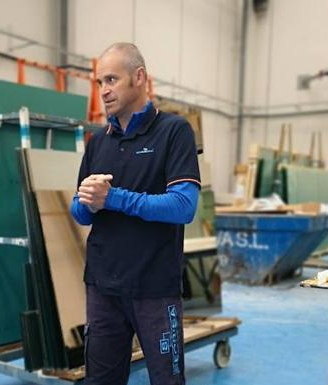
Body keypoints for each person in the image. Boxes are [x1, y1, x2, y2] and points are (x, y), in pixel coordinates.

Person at [71, 42, 201, 385]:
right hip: (103, 286)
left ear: (139, 77)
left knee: (167, 380)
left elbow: (183, 207)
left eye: (111, 79)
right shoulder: (98, 142)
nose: (104, 90)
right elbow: (81, 213)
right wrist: (86, 200)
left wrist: (113, 198)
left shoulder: (175, 132)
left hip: (155, 288)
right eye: (99, 83)